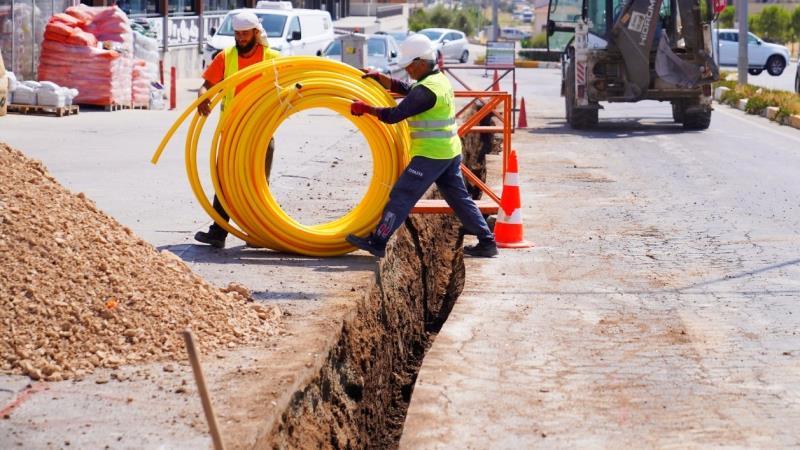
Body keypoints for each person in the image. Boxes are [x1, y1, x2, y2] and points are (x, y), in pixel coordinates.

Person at [346, 34, 498, 258]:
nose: (407, 70)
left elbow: (395, 115)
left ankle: (378, 241)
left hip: (431, 155)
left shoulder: (426, 90)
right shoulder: (437, 81)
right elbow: (409, 89)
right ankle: (487, 242)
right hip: (448, 152)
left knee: (402, 194)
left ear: (420, 62)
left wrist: (366, 109)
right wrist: (381, 78)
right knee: (459, 199)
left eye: (409, 65)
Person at [194, 11, 280, 248]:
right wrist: (203, 98)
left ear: (256, 33)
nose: (241, 38)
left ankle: (257, 233)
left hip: (260, 133)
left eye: (245, 34)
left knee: (257, 184)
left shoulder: (272, 58)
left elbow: (288, 90)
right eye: (237, 34)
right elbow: (205, 86)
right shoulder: (226, 57)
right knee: (224, 183)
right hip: (231, 134)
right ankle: (218, 233)